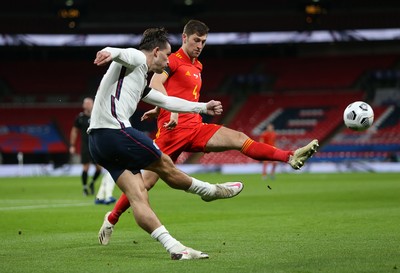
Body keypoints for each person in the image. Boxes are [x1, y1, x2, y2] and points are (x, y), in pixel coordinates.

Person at [98, 19, 319, 246]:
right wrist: (168, 111)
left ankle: (289, 157)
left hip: (195, 127)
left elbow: (178, 92)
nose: (200, 45)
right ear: (184, 38)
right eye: (196, 40)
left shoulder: (198, 66)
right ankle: (112, 218)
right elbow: (155, 84)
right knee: (144, 184)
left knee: (240, 139)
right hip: (171, 132)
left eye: (203, 41)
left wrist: (158, 109)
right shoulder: (172, 60)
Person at [88, 27, 244, 260]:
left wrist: (202, 107)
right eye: (167, 54)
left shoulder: (139, 79)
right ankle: (210, 191)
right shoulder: (138, 58)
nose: (169, 59)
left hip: (97, 143)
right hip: (114, 132)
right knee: (165, 164)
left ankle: (175, 248)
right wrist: (108, 51)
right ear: (157, 52)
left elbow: (166, 100)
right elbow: (124, 53)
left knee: (138, 195)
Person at [69, 97, 102, 196]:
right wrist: (72, 145)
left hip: (96, 146)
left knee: (99, 168)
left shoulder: (98, 116)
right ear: (83, 105)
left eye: (89, 103)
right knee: (85, 167)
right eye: (86, 103)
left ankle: (91, 183)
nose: (88, 105)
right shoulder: (80, 118)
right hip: (85, 146)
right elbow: (74, 131)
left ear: (93, 104)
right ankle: (84, 188)